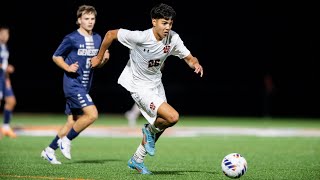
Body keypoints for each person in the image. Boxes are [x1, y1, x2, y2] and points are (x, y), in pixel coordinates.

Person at [91, 3, 203, 174]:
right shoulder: (140, 37)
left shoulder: (173, 38)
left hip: (156, 84)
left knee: (162, 123)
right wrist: (99, 58)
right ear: (154, 22)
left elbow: (188, 57)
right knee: (172, 117)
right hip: (138, 86)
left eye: (170, 23)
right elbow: (110, 34)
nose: (168, 27)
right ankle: (148, 131)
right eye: (164, 23)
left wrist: (195, 63)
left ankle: (137, 159)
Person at [40, 5, 109, 164]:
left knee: (72, 121)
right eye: (86, 19)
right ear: (79, 20)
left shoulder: (98, 38)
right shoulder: (72, 38)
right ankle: (66, 140)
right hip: (72, 85)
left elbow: (96, 64)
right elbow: (56, 56)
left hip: (85, 86)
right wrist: (67, 67)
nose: (90, 22)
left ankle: (49, 150)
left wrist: (103, 59)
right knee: (92, 114)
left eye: (92, 19)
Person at [0, 25, 17, 139]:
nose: (5, 36)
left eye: (7, 34)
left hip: (3, 78)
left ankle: (5, 127)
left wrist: (7, 80)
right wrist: (5, 67)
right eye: (3, 33)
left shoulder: (5, 47)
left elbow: (4, 65)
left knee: (11, 101)